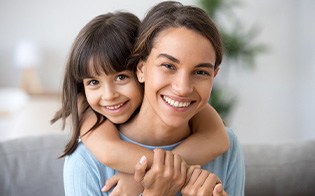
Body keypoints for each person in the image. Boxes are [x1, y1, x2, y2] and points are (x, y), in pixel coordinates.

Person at [52, 10, 230, 195]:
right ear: (142, 69)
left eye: (121, 77)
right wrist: (153, 187)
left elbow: (219, 139)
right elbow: (108, 152)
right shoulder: (87, 153)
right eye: (93, 82)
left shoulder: (209, 125)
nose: (109, 95)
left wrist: (145, 175)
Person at [104, 1, 245, 195]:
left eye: (201, 72)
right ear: (141, 69)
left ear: (214, 76)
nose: (183, 88)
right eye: (168, 66)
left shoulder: (227, 149)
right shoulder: (87, 158)